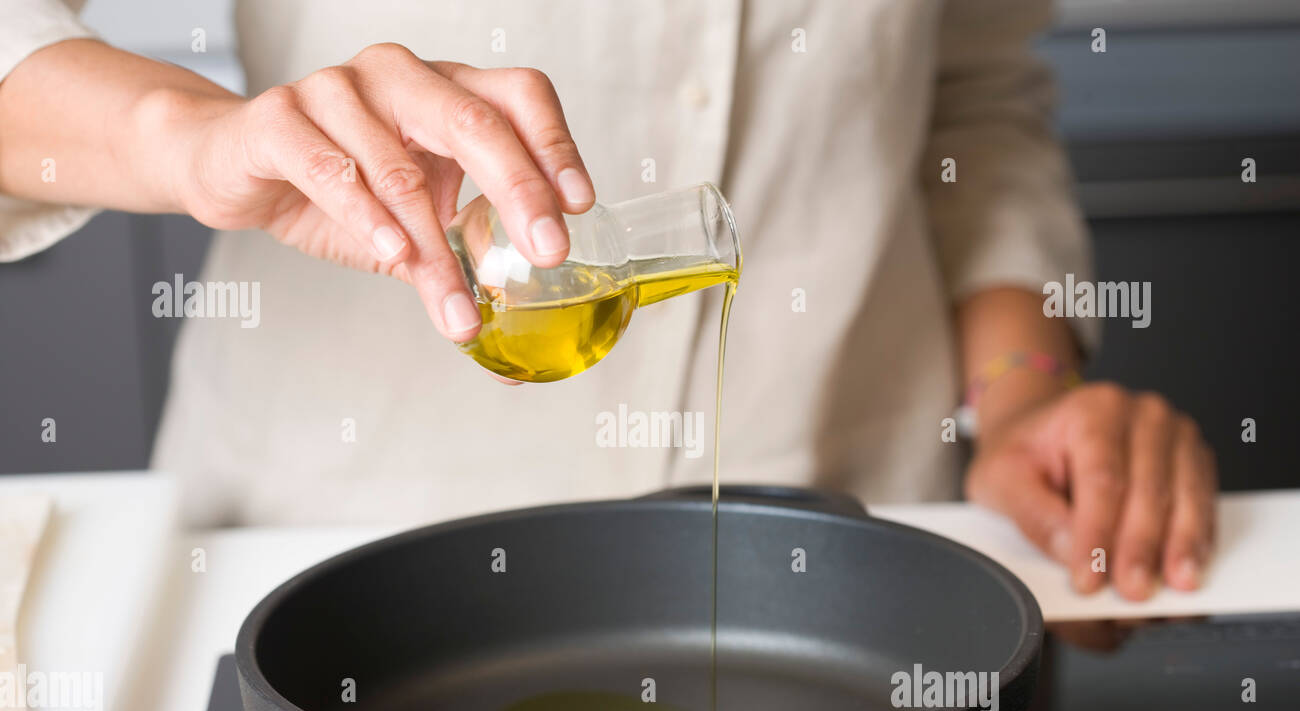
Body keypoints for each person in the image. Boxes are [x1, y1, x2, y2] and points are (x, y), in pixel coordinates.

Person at [0, 0, 1215, 601]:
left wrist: (1019, 395)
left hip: (850, 551)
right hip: (341, 550)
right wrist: (192, 133)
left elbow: (972, 101)